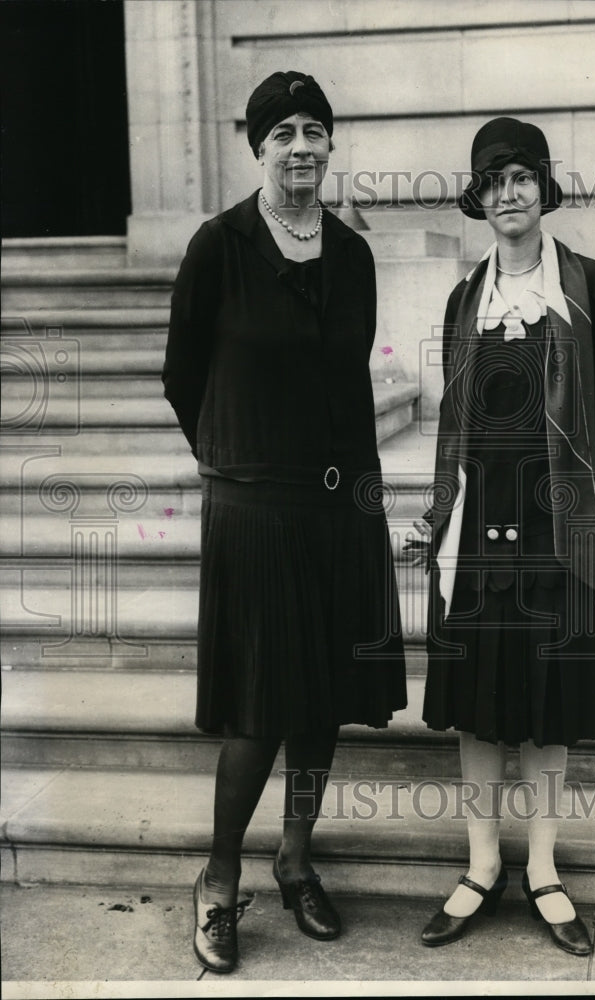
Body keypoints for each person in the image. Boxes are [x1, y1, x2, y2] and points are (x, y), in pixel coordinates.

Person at [162, 70, 406, 974]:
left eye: (316, 130)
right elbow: (182, 376)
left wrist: (370, 506)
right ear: (256, 146)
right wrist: (234, 458)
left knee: (325, 702)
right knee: (261, 705)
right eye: (283, 133)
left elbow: (350, 388)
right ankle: (219, 879)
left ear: (329, 145)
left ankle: (296, 856)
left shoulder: (349, 254)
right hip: (254, 506)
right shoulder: (218, 246)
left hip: (339, 503)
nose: (302, 146)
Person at [415, 117, 595, 955]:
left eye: (522, 178)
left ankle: (542, 868)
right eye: (494, 181)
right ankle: (480, 865)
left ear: (544, 187)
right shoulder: (465, 297)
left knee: (547, 711)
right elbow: (453, 423)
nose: (509, 195)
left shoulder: (585, 285)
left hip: (557, 522)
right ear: (478, 196)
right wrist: (437, 515)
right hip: (480, 527)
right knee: (478, 710)